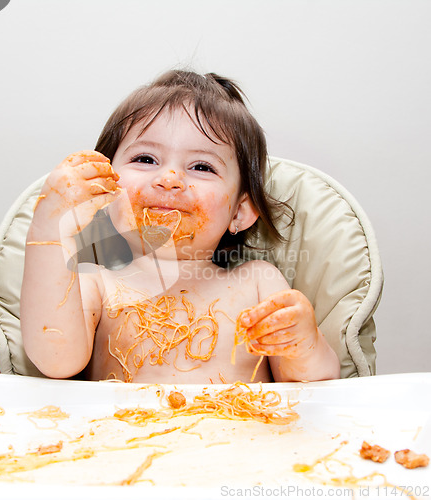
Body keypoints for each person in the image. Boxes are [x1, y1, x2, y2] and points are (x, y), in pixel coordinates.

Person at [20, 70, 340, 384]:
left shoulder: (257, 282)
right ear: (104, 188)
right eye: (146, 159)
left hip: (244, 434)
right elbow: (55, 361)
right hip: (121, 435)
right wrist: (48, 230)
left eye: (201, 166)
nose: (170, 179)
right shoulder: (96, 280)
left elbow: (309, 385)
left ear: (239, 212)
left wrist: (303, 344)